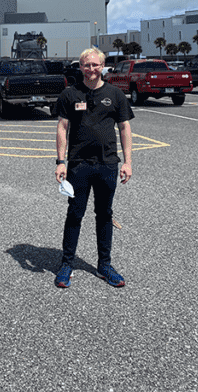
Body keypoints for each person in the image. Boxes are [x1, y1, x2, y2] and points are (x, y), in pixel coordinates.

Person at [53, 48, 134, 288]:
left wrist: (128, 162)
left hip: (107, 164)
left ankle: (104, 265)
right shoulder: (70, 94)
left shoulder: (116, 94)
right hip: (79, 165)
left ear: (103, 66)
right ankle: (67, 264)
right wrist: (60, 162)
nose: (91, 69)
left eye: (95, 65)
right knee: (75, 214)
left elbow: (124, 129)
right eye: (86, 65)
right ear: (80, 67)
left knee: (104, 215)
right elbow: (62, 128)